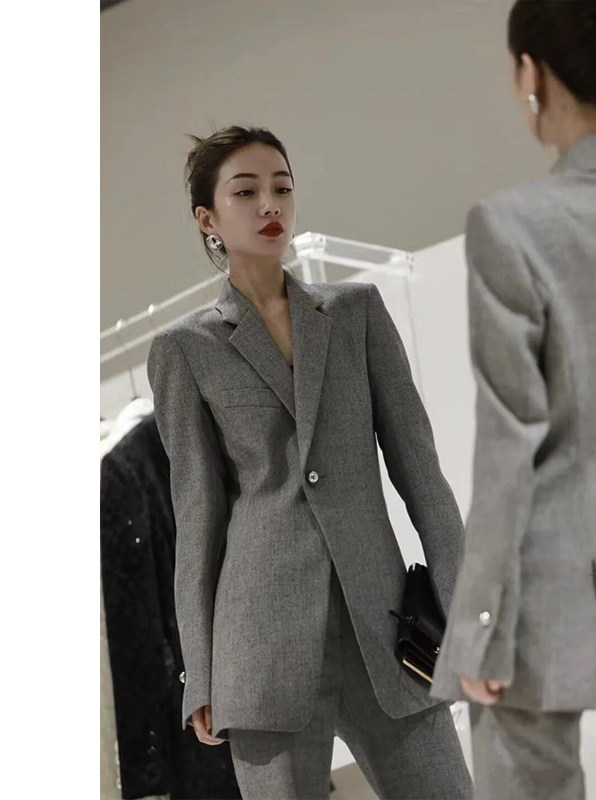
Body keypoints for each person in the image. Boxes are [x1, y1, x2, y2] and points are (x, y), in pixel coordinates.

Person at [147, 125, 473, 800]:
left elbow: (422, 475)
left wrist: (465, 608)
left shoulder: (356, 313)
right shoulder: (186, 349)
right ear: (208, 219)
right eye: (245, 192)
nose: (270, 204)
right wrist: (200, 674)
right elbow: (197, 520)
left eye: (282, 187)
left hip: (388, 631)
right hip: (261, 648)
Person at [430, 2, 596, 799]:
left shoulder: (512, 227)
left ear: (532, 74)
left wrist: (478, 628)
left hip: (544, 605)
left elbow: (508, 446)